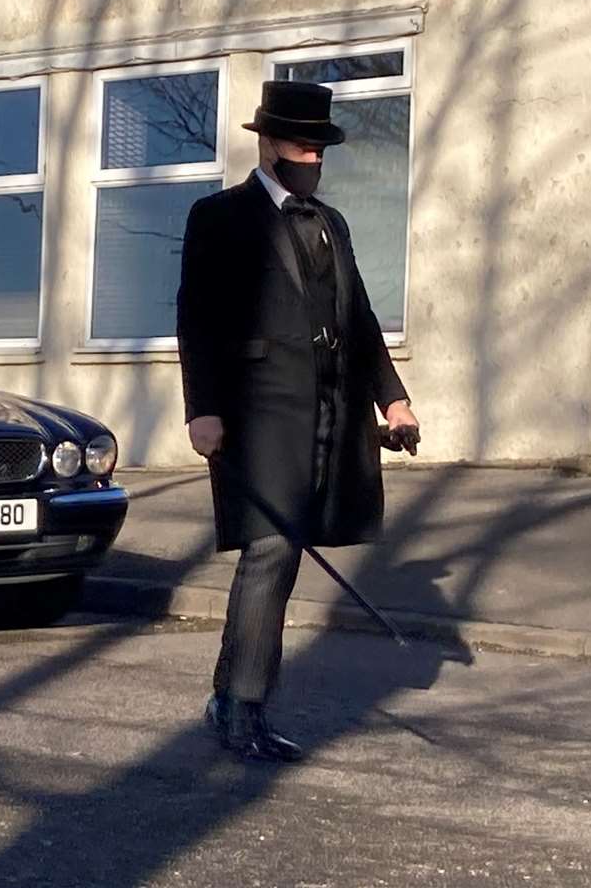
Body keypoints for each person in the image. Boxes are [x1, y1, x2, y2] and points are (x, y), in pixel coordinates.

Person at [175, 80, 419, 763]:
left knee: (279, 560)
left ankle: (231, 696)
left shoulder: (332, 224)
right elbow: (196, 319)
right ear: (268, 144)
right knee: (271, 552)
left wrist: (391, 399)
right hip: (256, 418)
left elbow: (360, 320)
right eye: (300, 146)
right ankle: (242, 709)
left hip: (329, 418)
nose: (311, 158)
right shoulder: (219, 216)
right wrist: (203, 410)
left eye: (319, 147)